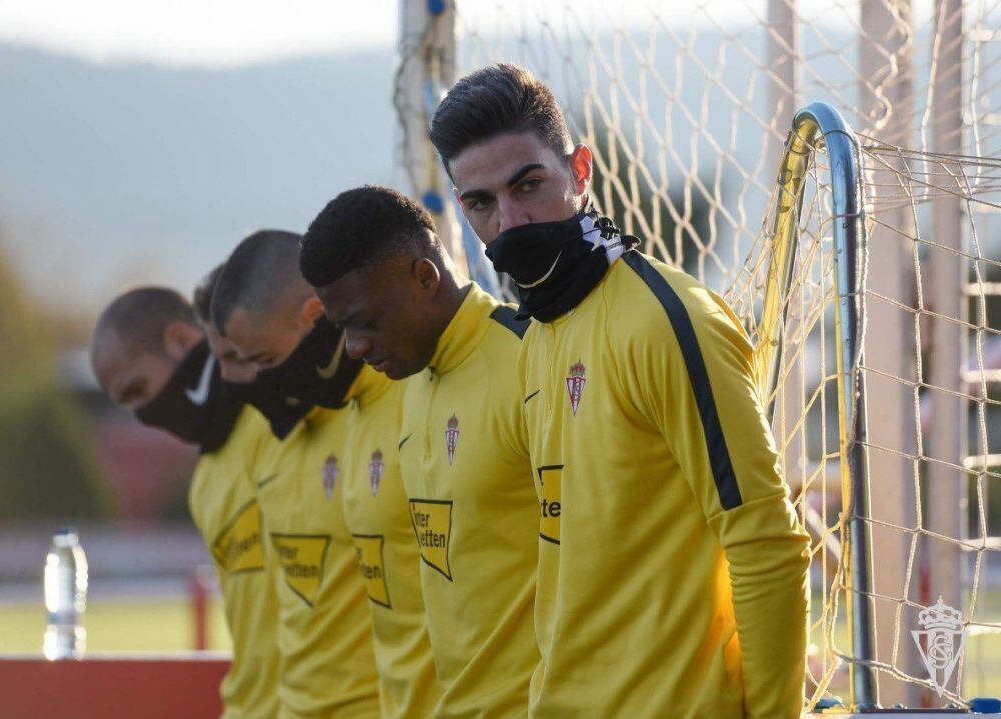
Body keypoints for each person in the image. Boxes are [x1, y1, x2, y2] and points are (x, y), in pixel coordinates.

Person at [429, 62, 812, 718]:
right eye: (482, 203)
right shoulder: (540, 333)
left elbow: (765, 538)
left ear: (580, 171)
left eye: (529, 184)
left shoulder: (669, 319)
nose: (512, 220)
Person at [300, 185, 541, 717]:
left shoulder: (531, 358)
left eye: (364, 322)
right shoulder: (415, 383)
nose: (354, 348)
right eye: (342, 329)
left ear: (425, 277)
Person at [212, 230, 440, 718]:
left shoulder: (414, 397)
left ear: (314, 316)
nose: (248, 382)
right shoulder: (344, 408)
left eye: (261, 360)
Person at [89, 286, 282, 719]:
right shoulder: (206, 479)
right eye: (127, 404)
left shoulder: (283, 421)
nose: (143, 413)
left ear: (180, 340)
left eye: (138, 389)